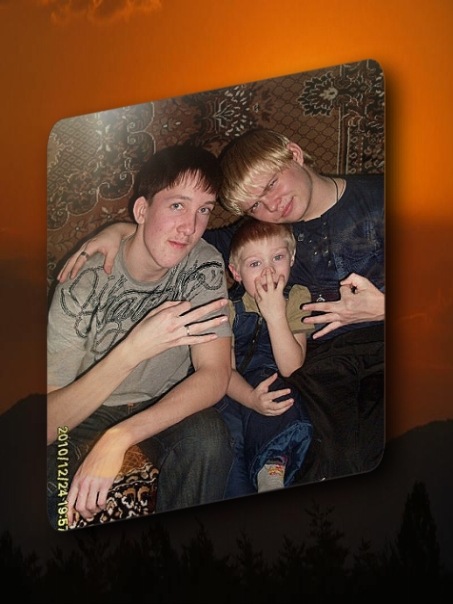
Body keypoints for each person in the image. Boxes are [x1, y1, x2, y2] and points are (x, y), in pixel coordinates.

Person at [58, 128, 385, 485]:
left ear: (294, 153)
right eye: (254, 205)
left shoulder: (383, 197)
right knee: (331, 460)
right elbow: (183, 236)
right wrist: (119, 230)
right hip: (323, 368)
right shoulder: (267, 230)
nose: (272, 206)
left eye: (271, 184)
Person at [47, 144, 234, 530]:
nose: (190, 227)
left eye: (204, 210)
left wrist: (120, 437)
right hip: (87, 406)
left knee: (209, 439)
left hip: (160, 400)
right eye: (177, 205)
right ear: (142, 211)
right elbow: (49, 423)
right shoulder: (83, 281)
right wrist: (132, 350)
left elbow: (215, 374)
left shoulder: (203, 265)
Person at [216, 218, 313, 498]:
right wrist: (249, 398)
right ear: (236, 272)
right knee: (228, 434)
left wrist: (275, 315)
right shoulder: (228, 307)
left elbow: (292, 368)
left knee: (279, 398)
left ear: (291, 258)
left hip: (276, 378)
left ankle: (272, 468)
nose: (269, 271)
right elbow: (222, 371)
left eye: (278, 257)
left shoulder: (297, 296)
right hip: (232, 386)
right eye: (255, 263)